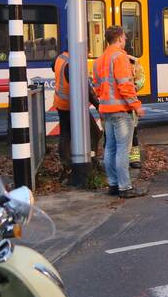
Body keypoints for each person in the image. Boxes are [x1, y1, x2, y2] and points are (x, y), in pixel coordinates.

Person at [93, 26, 145, 198]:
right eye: (125, 37)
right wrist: (136, 105)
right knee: (123, 149)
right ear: (120, 38)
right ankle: (125, 187)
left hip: (106, 109)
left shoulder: (99, 60)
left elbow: (97, 87)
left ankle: (113, 184)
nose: (126, 40)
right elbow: (125, 85)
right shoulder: (120, 57)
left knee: (110, 148)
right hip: (121, 110)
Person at [51, 49, 102, 172]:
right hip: (72, 105)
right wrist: (98, 106)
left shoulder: (61, 57)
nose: (88, 54)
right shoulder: (73, 64)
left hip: (60, 102)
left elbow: (53, 67)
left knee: (65, 133)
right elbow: (86, 88)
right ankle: (92, 160)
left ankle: (66, 164)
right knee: (95, 132)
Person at [128, 56, 145, 170]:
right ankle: (133, 159)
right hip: (125, 105)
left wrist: (135, 86)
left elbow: (140, 80)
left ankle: (134, 158)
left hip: (128, 106)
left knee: (133, 133)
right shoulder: (131, 62)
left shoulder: (132, 62)